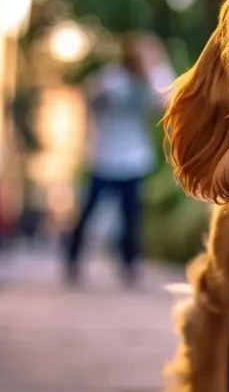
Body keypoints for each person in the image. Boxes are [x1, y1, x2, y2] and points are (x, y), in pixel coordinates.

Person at [63, 33, 171, 286]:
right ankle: (73, 258)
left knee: (131, 216)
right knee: (87, 213)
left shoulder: (156, 79)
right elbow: (91, 98)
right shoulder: (112, 79)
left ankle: (130, 265)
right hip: (104, 159)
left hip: (134, 159)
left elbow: (168, 104)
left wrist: (155, 75)